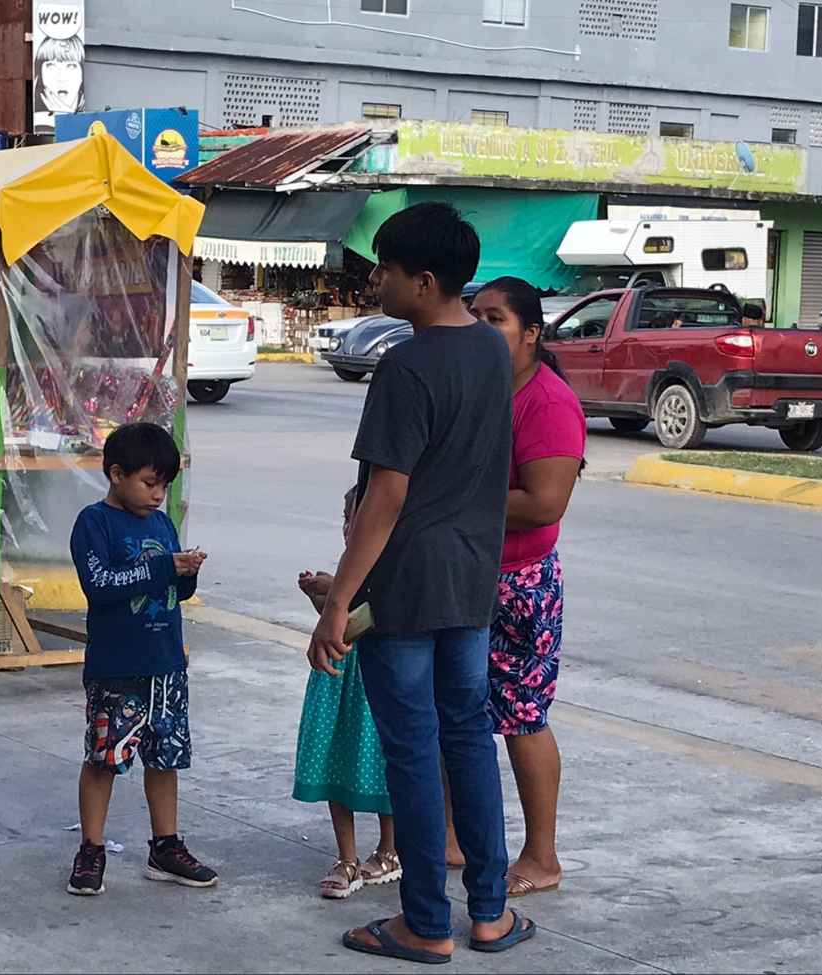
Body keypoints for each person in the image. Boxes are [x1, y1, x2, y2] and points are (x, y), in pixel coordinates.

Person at [310, 201, 535, 964]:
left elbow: (388, 494)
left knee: (412, 748)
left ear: (424, 280)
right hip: (471, 580)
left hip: (404, 586)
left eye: (387, 268)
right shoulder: (486, 352)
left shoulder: (406, 365)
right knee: (468, 739)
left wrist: (338, 600)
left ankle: (426, 923)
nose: (376, 280)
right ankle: (492, 914)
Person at [449, 277, 587, 899]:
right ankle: (453, 835)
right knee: (455, 709)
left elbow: (544, 502)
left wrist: (446, 501)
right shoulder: (479, 389)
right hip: (464, 571)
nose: (481, 327)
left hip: (519, 586)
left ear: (532, 333)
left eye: (497, 318)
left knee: (521, 716)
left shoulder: (549, 403)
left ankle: (541, 856)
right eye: (475, 315)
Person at [67, 423, 215, 896]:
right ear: (116, 474)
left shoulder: (162, 524)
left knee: (165, 756)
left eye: (165, 486)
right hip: (117, 666)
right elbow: (101, 586)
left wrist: (186, 573)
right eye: (150, 483)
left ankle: (165, 845)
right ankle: (91, 848)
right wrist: (162, 567)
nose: (158, 495)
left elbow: (174, 591)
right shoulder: (95, 523)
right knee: (104, 758)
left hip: (166, 664)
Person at [295, 486, 399, 899]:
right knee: (335, 757)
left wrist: (338, 587)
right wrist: (322, 600)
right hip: (339, 677)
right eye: (345, 519)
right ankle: (347, 857)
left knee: (384, 763)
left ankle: (389, 849)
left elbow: (375, 613)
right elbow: (341, 623)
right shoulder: (346, 573)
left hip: (376, 680)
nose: (348, 528)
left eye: (356, 519)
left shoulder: (391, 571)